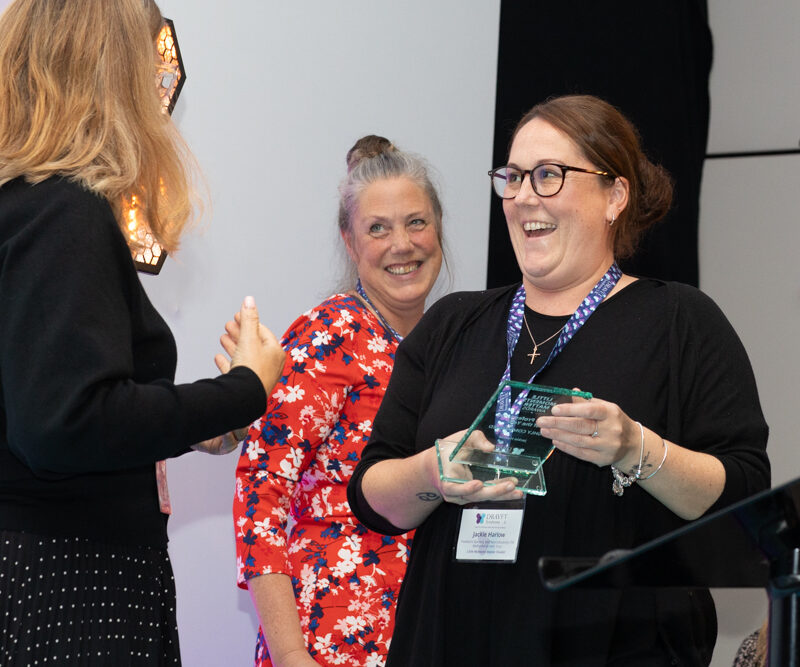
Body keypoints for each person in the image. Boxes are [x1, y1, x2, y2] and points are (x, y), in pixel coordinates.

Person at [347, 95, 770, 666]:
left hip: (616, 646)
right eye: (514, 177)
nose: (523, 197)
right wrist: (432, 473)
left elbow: (742, 495)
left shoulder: (680, 323)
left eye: (549, 176)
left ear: (614, 196)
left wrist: (636, 448)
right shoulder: (452, 324)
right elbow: (374, 498)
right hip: (451, 637)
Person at [0, 1, 285, 664]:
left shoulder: (25, 207)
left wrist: (190, 423)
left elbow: (51, 405)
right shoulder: (63, 211)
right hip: (69, 583)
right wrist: (242, 388)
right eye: (147, 58)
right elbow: (67, 422)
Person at [234, 135, 445, 667]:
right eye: (378, 228)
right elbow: (261, 491)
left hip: (428, 629)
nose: (402, 244)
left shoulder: (452, 342)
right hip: (332, 639)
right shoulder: (331, 333)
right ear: (350, 243)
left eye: (416, 222)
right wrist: (288, 653)